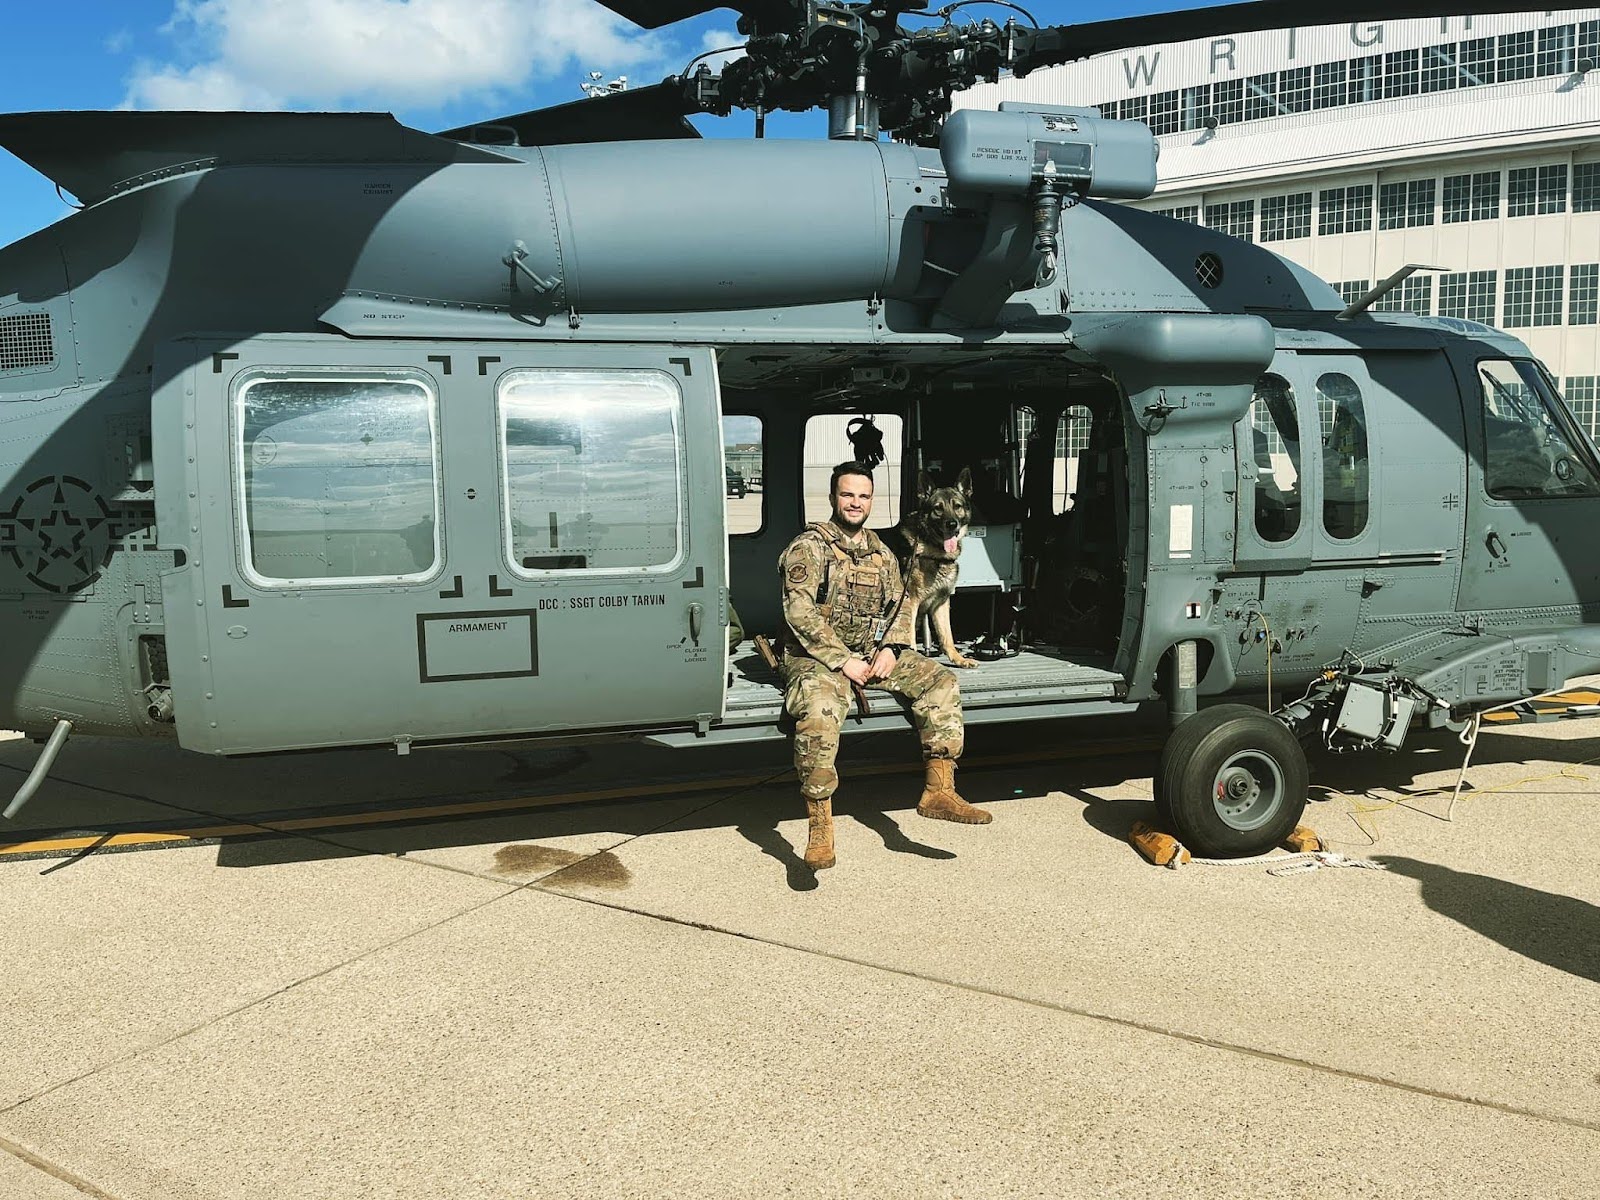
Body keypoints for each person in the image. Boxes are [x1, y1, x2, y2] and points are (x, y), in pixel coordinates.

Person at [778, 461, 991, 872]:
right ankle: (820, 825)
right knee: (820, 711)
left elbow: (900, 607)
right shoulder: (810, 547)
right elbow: (799, 612)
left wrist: (893, 647)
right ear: (833, 498)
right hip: (816, 659)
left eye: (863, 495)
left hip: (871, 653)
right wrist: (845, 661)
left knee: (940, 680)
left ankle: (939, 790)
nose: (855, 503)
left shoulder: (882, 552)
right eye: (847, 494)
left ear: (871, 500)